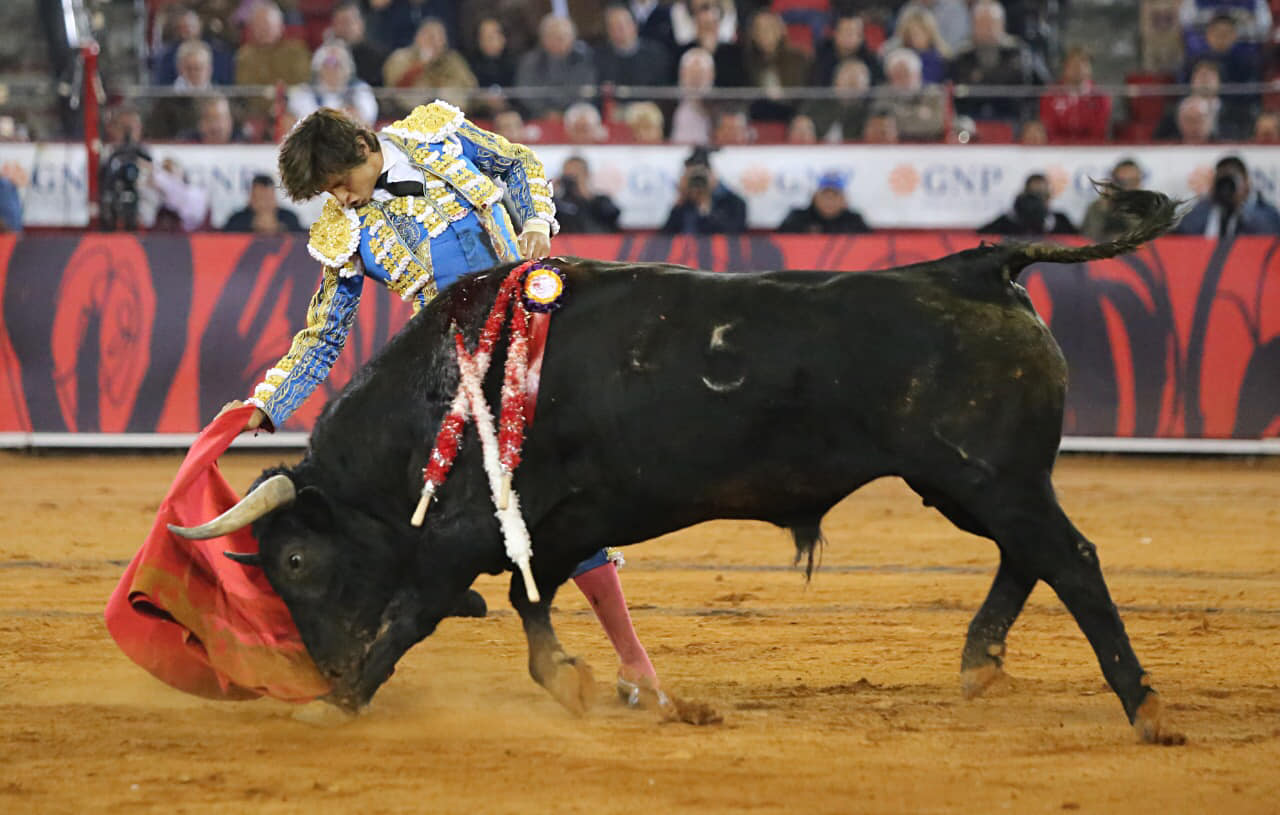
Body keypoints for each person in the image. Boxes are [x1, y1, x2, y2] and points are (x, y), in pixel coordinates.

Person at [217, 102, 664, 705]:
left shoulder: (437, 131)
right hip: (467, 377)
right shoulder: (342, 231)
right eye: (329, 194)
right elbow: (324, 334)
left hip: (546, 335)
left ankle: (631, 660)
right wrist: (268, 402)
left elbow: (516, 163)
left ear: (363, 147)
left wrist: (534, 220)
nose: (342, 202)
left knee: (564, 502)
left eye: (342, 184)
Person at [947, 0, 1047, 121]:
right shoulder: (960, 57)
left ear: (1002, 24)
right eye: (982, 23)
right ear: (973, 25)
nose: (987, 28)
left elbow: (1044, 86)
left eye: (991, 23)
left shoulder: (1021, 53)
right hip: (970, 121)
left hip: (1015, 120)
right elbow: (950, 92)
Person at [382, 17, 477, 111]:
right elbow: (395, 90)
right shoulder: (401, 57)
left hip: (450, 114)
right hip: (409, 114)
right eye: (430, 37)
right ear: (418, 37)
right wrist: (420, 65)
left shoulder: (453, 60)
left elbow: (471, 88)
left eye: (439, 38)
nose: (434, 43)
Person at [1173, 155, 1280, 238]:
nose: (1226, 189)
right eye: (1222, 182)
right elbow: (1181, 235)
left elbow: (1269, 235)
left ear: (1247, 183)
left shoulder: (1267, 214)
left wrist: (1241, 210)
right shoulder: (1200, 211)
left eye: (1231, 182)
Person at [515, 16, 599, 118]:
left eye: (564, 37)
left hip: (576, 115)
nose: (559, 41)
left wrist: (568, 113)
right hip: (539, 116)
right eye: (553, 36)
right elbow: (526, 93)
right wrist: (545, 112)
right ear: (543, 38)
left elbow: (587, 91)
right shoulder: (530, 61)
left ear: (573, 38)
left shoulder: (584, 59)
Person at [288, 42, 380, 127]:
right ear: (318, 69)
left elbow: (365, 119)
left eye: (339, 65)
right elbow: (306, 122)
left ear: (348, 69)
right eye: (327, 66)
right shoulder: (303, 92)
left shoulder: (361, 90)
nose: (333, 71)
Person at [660, 147, 747, 233]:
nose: (697, 182)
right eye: (693, 178)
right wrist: (680, 204)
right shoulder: (684, 204)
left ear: (712, 175)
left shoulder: (734, 203)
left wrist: (706, 210)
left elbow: (734, 234)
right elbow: (664, 239)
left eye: (701, 177)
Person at [1039, 47, 1112, 143]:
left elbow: (1098, 132)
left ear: (1090, 68)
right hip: (1058, 152)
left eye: (1084, 63)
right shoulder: (1050, 96)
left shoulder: (1101, 98)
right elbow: (1050, 131)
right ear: (1065, 67)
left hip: (1091, 152)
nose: (1079, 68)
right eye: (1073, 64)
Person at [978, 173, 1077, 235]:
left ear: (1049, 198)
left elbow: (1078, 241)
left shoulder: (1060, 221)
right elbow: (978, 238)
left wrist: (1049, 224)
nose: (1036, 203)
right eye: (1033, 196)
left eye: (1042, 195)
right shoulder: (1006, 221)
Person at [778, 172, 870, 234]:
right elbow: (781, 241)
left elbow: (868, 246)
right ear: (814, 198)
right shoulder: (798, 217)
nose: (829, 201)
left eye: (835, 196)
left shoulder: (854, 221)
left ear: (844, 200)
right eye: (825, 196)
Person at [554, 155, 621, 232]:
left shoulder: (602, 201)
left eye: (576, 173)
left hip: (596, 242)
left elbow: (613, 217)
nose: (571, 178)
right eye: (568, 174)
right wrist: (550, 193)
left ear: (587, 174)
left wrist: (584, 192)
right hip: (566, 242)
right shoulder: (560, 204)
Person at [1081, 158, 1144, 241]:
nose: (1126, 187)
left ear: (1139, 183)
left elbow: (1144, 237)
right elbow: (1087, 238)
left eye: (1131, 181)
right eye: (1121, 182)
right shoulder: (1098, 207)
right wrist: (1103, 208)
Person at [330, 2, 390, 88]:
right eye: (339, 23)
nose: (344, 28)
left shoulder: (379, 57)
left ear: (361, 24)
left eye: (348, 22)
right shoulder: (327, 55)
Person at [223, 173, 304, 233]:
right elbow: (225, 240)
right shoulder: (237, 220)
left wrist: (279, 228)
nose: (264, 204)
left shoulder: (289, 218)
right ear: (251, 199)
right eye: (260, 198)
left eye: (268, 198)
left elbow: (299, 240)